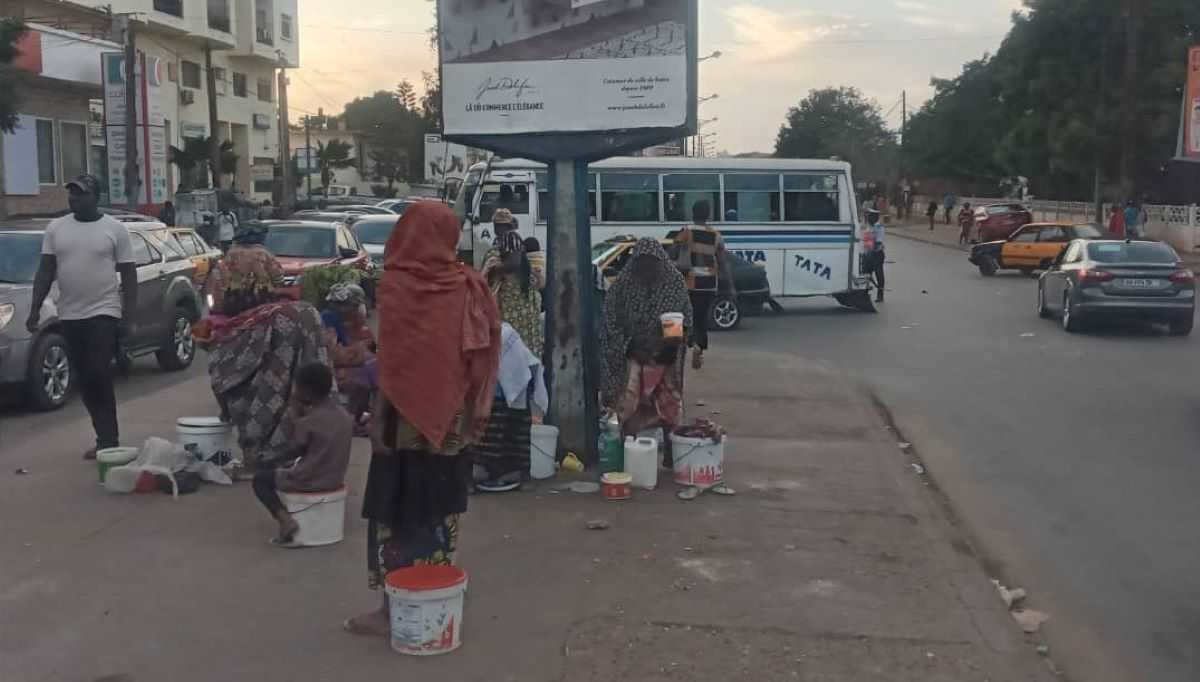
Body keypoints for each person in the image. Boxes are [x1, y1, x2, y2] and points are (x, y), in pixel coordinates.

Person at [345, 201, 501, 637]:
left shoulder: (396, 287)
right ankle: (436, 595)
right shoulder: (468, 286)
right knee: (439, 510)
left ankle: (391, 607)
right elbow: (479, 360)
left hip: (400, 427)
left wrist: (376, 424)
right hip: (449, 427)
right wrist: (473, 419)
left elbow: (391, 366)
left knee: (394, 514)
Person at [26, 175, 136, 460]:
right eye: (71, 194)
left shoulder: (114, 230)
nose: (74, 199)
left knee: (98, 371)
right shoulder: (56, 228)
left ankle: (110, 439)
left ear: (95, 197)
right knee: (85, 378)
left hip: (105, 310)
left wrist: (128, 317)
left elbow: (128, 273)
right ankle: (104, 439)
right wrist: (35, 308)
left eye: (81, 194)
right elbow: (45, 270)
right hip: (70, 313)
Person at [602, 238, 693, 468]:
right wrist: (630, 346)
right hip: (634, 352)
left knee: (670, 403)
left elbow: (686, 320)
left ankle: (672, 452)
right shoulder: (623, 284)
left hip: (666, 353)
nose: (647, 270)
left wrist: (670, 346)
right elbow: (611, 321)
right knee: (629, 402)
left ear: (660, 261)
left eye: (651, 264)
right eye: (641, 264)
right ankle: (628, 450)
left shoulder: (674, 282)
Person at [252, 362, 353, 547]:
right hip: (335, 477)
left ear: (305, 392)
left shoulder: (308, 422)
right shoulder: (344, 416)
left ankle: (285, 521)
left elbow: (292, 450)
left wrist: (295, 416)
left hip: (309, 479)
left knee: (260, 479)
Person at [473, 322, 548, 492]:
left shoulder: (503, 338)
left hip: (508, 381)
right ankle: (499, 470)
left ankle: (499, 470)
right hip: (503, 380)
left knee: (503, 424)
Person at [671, 200, 733, 371]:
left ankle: (685, 343)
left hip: (689, 282)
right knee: (701, 317)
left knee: (683, 315)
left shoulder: (686, 232)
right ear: (708, 215)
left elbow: (672, 253)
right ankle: (699, 345)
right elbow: (723, 262)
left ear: (693, 213)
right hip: (708, 283)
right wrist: (730, 285)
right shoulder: (716, 236)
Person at [321, 282, 377, 431]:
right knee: (367, 374)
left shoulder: (345, 322)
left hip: (339, 363)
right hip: (328, 367)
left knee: (372, 369)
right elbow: (333, 352)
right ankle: (351, 419)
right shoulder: (328, 319)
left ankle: (356, 417)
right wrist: (360, 354)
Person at [483, 230, 543, 357]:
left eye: (517, 254)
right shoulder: (498, 279)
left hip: (529, 347)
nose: (515, 259)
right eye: (510, 255)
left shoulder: (528, 276)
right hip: (512, 349)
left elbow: (541, 283)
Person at [206, 221, 284, 317]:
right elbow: (277, 276)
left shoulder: (231, 253)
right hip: (261, 298)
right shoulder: (263, 253)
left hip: (235, 298)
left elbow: (222, 277)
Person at [866, 208, 886, 303]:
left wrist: (872, 249)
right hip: (870, 253)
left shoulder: (879, 227)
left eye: (870, 216)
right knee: (866, 274)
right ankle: (864, 293)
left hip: (877, 254)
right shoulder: (870, 226)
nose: (868, 218)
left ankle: (880, 295)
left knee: (879, 274)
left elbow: (878, 242)